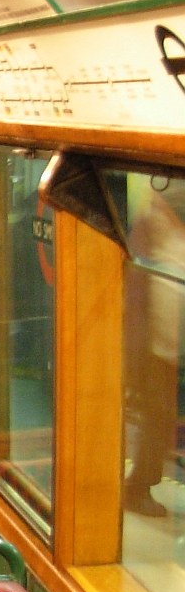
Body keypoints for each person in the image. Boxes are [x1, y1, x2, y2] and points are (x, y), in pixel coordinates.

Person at [123, 179, 185, 517]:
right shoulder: (160, 210)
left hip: (164, 325)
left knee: (158, 410)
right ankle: (139, 486)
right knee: (158, 411)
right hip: (157, 326)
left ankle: (140, 484)